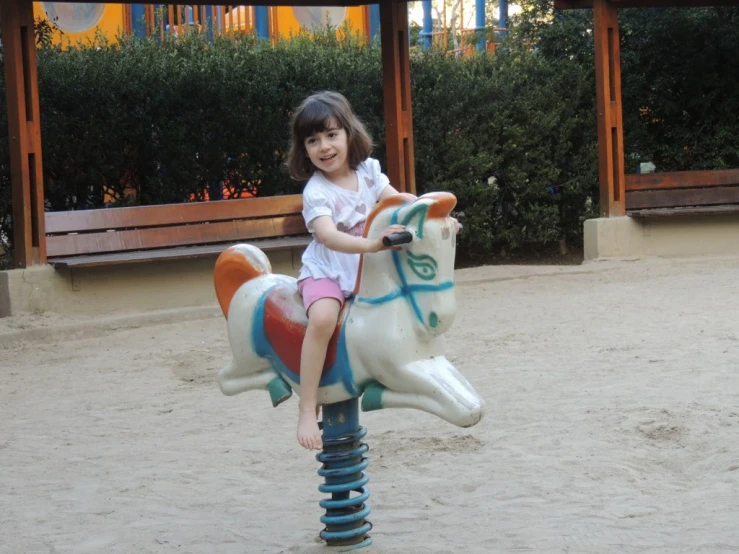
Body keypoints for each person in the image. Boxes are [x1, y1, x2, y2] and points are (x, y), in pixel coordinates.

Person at [286, 91, 405, 450]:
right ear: (303, 149)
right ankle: (308, 407)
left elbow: (398, 201)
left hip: (363, 271)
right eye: (313, 140)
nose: (324, 146)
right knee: (323, 319)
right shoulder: (316, 191)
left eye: (331, 134)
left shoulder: (368, 172)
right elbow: (327, 235)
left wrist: (432, 214)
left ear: (349, 133)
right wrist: (370, 245)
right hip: (327, 270)